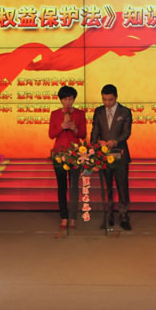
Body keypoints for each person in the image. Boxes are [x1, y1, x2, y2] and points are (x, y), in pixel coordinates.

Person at [90, 84, 132, 231]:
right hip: (104, 154)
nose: (107, 103)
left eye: (110, 100)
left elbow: (126, 133)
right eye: (104, 99)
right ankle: (109, 215)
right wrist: (96, 143)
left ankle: (124, 215)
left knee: (122, 185)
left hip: (119, 153)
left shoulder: (125, 112)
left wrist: (115, 141)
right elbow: (94, 131)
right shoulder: (99, 111)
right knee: (106, 186)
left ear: (116, 97)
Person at [48, 85, 87, 230]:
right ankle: (64, 217)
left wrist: (74, 128)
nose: (67, 102)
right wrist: (62, 126)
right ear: (60, 100)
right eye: (65, 99)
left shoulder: (80, 114)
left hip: (75, 153)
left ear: (74, 99)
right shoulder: (55, 114)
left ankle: (73, 217)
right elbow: (51, 134)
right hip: (59, 154)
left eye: (70, 99)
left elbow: (83, 134)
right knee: (62, 186)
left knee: (74, 186)